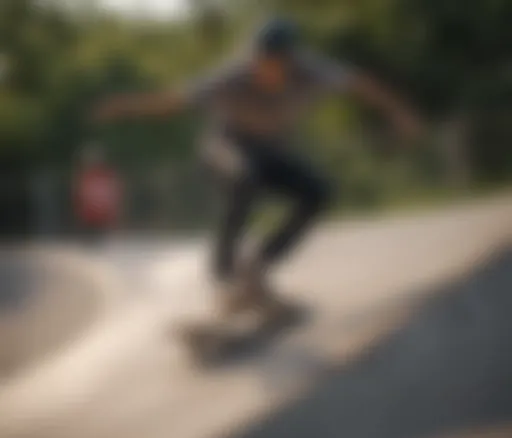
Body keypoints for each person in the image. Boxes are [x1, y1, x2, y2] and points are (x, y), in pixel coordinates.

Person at [92, 17, 422, 317]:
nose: (261, 70)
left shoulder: (311, 69)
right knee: (244, 178)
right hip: (223, 148)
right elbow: (172, 102)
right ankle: (223, 277)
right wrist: (123, 107)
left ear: (289, 61)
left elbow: (360, 85)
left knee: (318, 191)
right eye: (258, 61)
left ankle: (257, 269)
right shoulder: (233, 75)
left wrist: (399, 113)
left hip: (269, 151)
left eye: (270, 64)